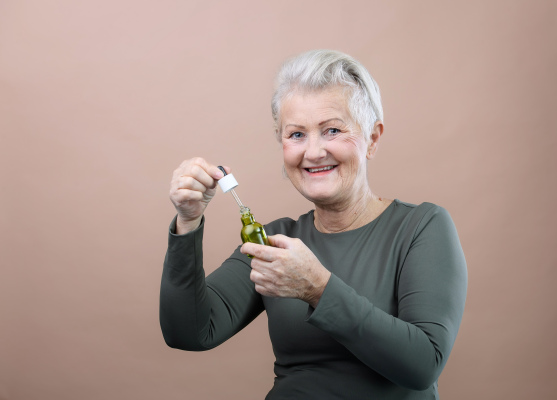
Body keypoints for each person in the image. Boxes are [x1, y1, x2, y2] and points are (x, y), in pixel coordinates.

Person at [160, 49, 468, 399]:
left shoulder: (421, 227)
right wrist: (188, 221)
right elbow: (189, 332)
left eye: (332, 130)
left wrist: (318, 289)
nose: (314, 152)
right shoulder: (276, 241)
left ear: (372, 138)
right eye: (296, 135)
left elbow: (423, 365)